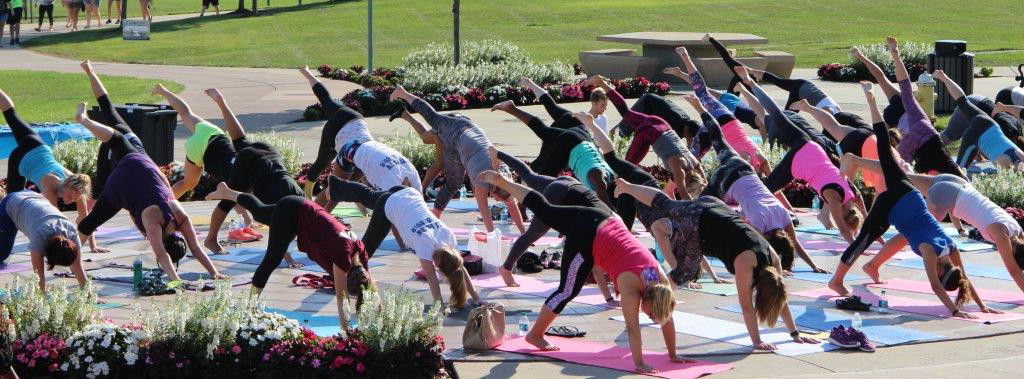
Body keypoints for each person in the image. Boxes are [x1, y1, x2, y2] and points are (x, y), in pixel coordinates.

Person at [476, 170, 690, 374]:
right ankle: (535, 335)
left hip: (603, 218)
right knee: (567, 289)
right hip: (587, 236)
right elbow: (633, 329)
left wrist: (672, 354)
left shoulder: (659, 280)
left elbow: (666, 316)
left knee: (545, 209)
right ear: (651, 301)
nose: (650, 316)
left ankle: (504, 183)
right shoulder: (631, 287)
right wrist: (640, 363)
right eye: (651, 314)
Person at [827, 92, 1000, 319]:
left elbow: (964, 279)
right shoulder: (931, 251)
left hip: (909, 193)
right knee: (862, 240)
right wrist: (956, 311)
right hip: (894, 203)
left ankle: (869, 104)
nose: (936, 275)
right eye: (938, 274)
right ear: (940, 271)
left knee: (885, 151)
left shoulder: (951, 248)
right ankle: (836, 281)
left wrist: (981, 306)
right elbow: (936, 287)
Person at [613, 179, 819, 352]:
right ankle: (653, 302)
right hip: (699, 223)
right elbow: (747, 306)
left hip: (715, 206)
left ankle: (626, 186)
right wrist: (757, 341)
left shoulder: (773, 259)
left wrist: (795, 333)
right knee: (684, 271)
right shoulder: (746, 262)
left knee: (667, 204)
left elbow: (780, 298)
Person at [74, 103, 226, 284]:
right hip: (120, 185)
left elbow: (195, 248)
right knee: (87, 225)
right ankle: (74, 264)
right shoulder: (154, 225)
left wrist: (214, 272)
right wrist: (176, 281)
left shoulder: (180, 216)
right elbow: (162, 255)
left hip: (142, 166)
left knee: (116, 139)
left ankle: (83, 120)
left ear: (177, 237)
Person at [684, 94, 828, 274]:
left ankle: (701, 109)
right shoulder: (760, 224)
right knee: (695, 212)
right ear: (767, 238)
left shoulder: (784, 215)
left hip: (745, 168)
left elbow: (794, 244)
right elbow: (755, 246)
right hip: (728, 177)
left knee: (718, 139)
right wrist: (783, 267)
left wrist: (814, 266)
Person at [841, 154, 1024, 295]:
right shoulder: (1002, 234)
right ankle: (873, 265)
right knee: (914, 231)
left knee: (902, 175)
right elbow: (1015, 271)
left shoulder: (1017, 229)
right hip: (948, 195)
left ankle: (856, 160)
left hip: (958, 185)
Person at [206, 183, 373, 329]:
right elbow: (341, 297)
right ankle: (250, 306)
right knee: (272, 259)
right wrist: (346, 331)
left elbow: (372, 287)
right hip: (292, 212)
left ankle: (227, 192)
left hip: (302, 207)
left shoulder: (361, 253)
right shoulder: (342, 256)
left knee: (260, 212)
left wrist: (377, 312)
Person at [734, 67, 866, 243]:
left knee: (774, 114)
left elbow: (863, 211)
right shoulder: (835, 200)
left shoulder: (852, 193)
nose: (838, 217)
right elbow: (842, 228)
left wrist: (875, 237)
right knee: (766, 189)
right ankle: (749, 83)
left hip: (810, 146)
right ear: (844, 213)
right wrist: (857, 247)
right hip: (799, 162)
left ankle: (749, 83)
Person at [327, 178, 487, 307]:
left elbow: (460, 269)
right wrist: (439, 307)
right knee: (364, 252)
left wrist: (476, 297)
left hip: (408, 192)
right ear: (437, 264)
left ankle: (337, 186)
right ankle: (341, 277)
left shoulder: (448, 236)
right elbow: (432, 279)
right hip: (390, 204)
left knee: (369, 197)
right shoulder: (426, 243)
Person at [390, 85, 526, 233]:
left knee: (451, 176)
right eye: (499, 200)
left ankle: (433, 213)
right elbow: (484, 210)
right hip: (456, 133)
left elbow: (511, 203)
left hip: (470, 130)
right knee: (432, 118)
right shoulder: (483, 180)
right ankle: (403, 93)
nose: (501, 203)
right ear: (494, 193)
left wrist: (524, 233)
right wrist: (493, 236)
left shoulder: (505, 179)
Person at [195, 88, 305, 268]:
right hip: (252, 162)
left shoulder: (302, 200)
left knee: (240, 141)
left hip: (269, 153)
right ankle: (210, 239)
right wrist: (290, 260)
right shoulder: (286, 211)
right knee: (229, 199)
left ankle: (221, 101)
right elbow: (279, 238)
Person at [492, 148, 618, 298]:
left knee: (530, 176)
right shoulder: (607, 237)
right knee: (533, 234)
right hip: (558, 194)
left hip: (570, 183)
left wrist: (609, 298)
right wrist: (608, 297)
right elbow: (595, 267)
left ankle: (496, 153)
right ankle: (506, 268)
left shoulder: (615, 221)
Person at [151, 84, 264, 246]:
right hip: (200, 147)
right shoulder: (243, 178)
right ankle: (163, 204)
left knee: (186, 113)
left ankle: (163, 90)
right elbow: (235, 197)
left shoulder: (243, 164)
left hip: (212, 133)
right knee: (188, 183)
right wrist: (247, 220)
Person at [0, 89, 101, 252]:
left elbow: (85, 220)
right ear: (66, 185)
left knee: (11, 115)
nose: (70, 200)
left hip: (38, 146)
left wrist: (93, 246)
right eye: (70, 195)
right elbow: (54, 220)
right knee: (12, 202)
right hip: (22, 157)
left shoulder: (77, 186)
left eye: (75, 198)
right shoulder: (51, 185)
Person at [590, 75, 706, 199]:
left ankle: (601, 82)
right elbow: (684, 195)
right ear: (688, 181)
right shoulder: (679, 170)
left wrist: (704, 185)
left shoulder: (694, 163)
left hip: (660, 123)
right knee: (627, 165)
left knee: (626, 112)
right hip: (649, 133)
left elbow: (704, 180)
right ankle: (611, 194)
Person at [490, 99, 616, 208]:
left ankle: (511, 108)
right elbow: (600, 182)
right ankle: (524, 203)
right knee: (542, 180)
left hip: (583, 137)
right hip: (570, 144)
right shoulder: (598, 176)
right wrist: (613, 215)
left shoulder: (610, 178)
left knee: (543, 133)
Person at [672, 46, 772, 178]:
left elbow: (775, 186)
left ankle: (686, 58)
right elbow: (742, 162)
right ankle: (688, 184)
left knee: (702, 91)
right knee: (693, 157)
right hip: (716, 130)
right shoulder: (747, 163)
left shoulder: (762, 160)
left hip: (728, 119)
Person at [705, 33, 839, 114]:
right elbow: (771, 78)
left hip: (799, 89)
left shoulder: (750, 88)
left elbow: (728, 58)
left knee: (786, 115)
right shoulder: (747, 82)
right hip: (800, 89)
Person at [790, 94, 892, 195]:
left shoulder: (899, 164)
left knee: (834, 126)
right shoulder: (889, 180)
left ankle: (807, 107)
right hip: (858, 147)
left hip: (868, 136)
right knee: (845, 185)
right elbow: (878, 196)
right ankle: (827, 210)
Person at [299, 66, 374, 198]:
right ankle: (308, 197)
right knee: (322, 162)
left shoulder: (372, 155)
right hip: (338, 129)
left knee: (327, 100)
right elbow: (353, 187)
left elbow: (356, 188)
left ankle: (307, 73)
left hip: (353, 117)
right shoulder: (364, 166)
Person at [932, 69, 1024, 170]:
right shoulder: (1009, 163)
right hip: (978, 123)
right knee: (958, 169)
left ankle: (944, 77)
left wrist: (1003, 107)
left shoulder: (1018, 141)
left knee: (962, 101)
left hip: (987, 119)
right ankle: (926, 148)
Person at [0, 190, 89, 292]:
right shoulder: (39, 238)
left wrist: (89, 295)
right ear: (47, 253)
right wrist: (41, 301)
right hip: (10, 204)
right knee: (2, 254)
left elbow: (78, 268)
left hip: (33, 197)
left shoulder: (72, 235)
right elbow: (38, 276)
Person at [518, 77, 598, 176]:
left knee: (551, 106)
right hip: (572, 128)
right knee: (541, 161)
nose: (605, 108)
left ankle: (530, 84)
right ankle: (523, 176)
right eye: (603, 105)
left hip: (575, 121)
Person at [390, 102, 445, 194]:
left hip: (453, 125)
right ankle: (421, 191)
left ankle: (404, 114)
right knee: (440, 164)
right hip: (448, 127)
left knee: (425, 138)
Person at [940, 95, 1024, 152]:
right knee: (949, 136)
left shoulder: (1018, 130)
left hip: (982, 100)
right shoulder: (1006, 134)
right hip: (973, 104)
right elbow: (981, 138)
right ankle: (928, 143)